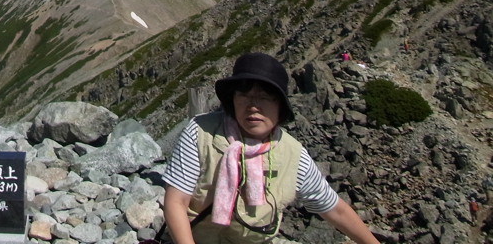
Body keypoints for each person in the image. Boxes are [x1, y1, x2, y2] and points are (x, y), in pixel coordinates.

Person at [162, 52, 380, 244]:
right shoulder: (201, 132)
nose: (253, 105)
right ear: (232, 99)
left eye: (265, 96)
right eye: (244, 94)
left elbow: (335, 209)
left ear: (280, 106)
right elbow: (176, 201)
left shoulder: (293, 155)